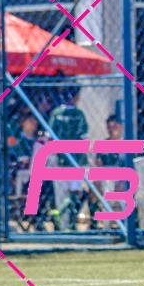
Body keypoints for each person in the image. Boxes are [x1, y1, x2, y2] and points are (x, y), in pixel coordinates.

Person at [48, 87, 90, 230]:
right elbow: (84, 137)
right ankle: (70, 222)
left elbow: (50, 137)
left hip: (60, 159)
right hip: (76, 159)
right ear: (76, 97)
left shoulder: (56, 113)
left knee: (60, 194)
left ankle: (60, 222)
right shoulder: (79, 114)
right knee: (75, 192)